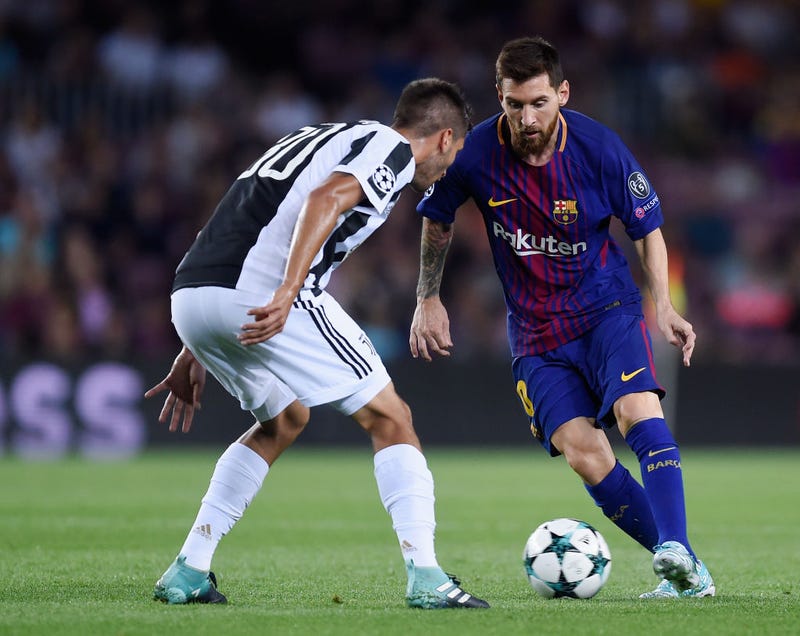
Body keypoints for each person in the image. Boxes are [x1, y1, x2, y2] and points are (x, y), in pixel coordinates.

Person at [145, 77, 488, 609]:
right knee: (392, 417)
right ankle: (427, 577)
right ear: (444, 138)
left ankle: (189, 568)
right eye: (455, 154)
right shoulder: (393, 150)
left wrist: (195, 345)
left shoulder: (317, 136)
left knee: (285, 417)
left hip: (191, 292)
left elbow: (242, 216)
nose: (447, 169)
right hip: (262, 293)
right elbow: (329, 198)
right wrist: (286, 291)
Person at [409, 37, 715, 599]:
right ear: (498, 98)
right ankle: (688, 571)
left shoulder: (599, 148)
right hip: (534, 335)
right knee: (585, 453)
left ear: (562, 93)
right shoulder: (476, 153)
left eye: (539, 103)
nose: (527, 118)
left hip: (607, 311)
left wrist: (664, 306)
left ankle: (674, 547)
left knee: (635, 411)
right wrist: (428, 296)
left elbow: (646, 230)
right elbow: (437, 216)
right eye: (514, 105)